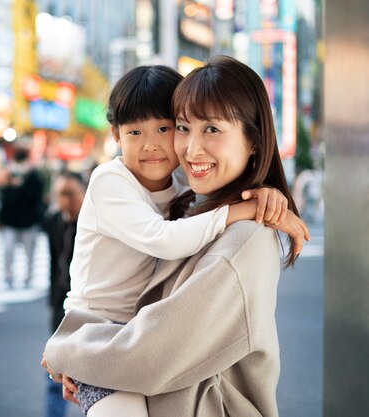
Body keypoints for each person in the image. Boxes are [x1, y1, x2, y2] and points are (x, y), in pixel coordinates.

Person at [43, 56, 309, 417]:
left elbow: (148, 354)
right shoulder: (178, 201)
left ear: (254, 142)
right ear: (117, 134)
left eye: (212, 129)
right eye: (184, 127)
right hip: (104, 327)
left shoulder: (242, 241)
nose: (191, 148)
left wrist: (68, 349)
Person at [42, 170, 86, 417]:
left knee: (88, 377)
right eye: (59, 195)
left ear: (83, 194)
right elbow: (52, 262)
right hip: (60, 303)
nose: (64, 201)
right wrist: (53, 299)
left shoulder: (93, 222)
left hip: (87, 306)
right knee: (53, 370)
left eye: (69, 194)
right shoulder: (53, 221)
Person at [0, 147, 45, 289]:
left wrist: (22, 185)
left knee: (29, 252)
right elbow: (3, 197)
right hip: (11, 221)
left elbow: (37, 196)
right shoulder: (8, 174)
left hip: (29, 221)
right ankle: (8, 275)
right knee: (8, 249)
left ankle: (28, 277)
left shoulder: (33, 175)